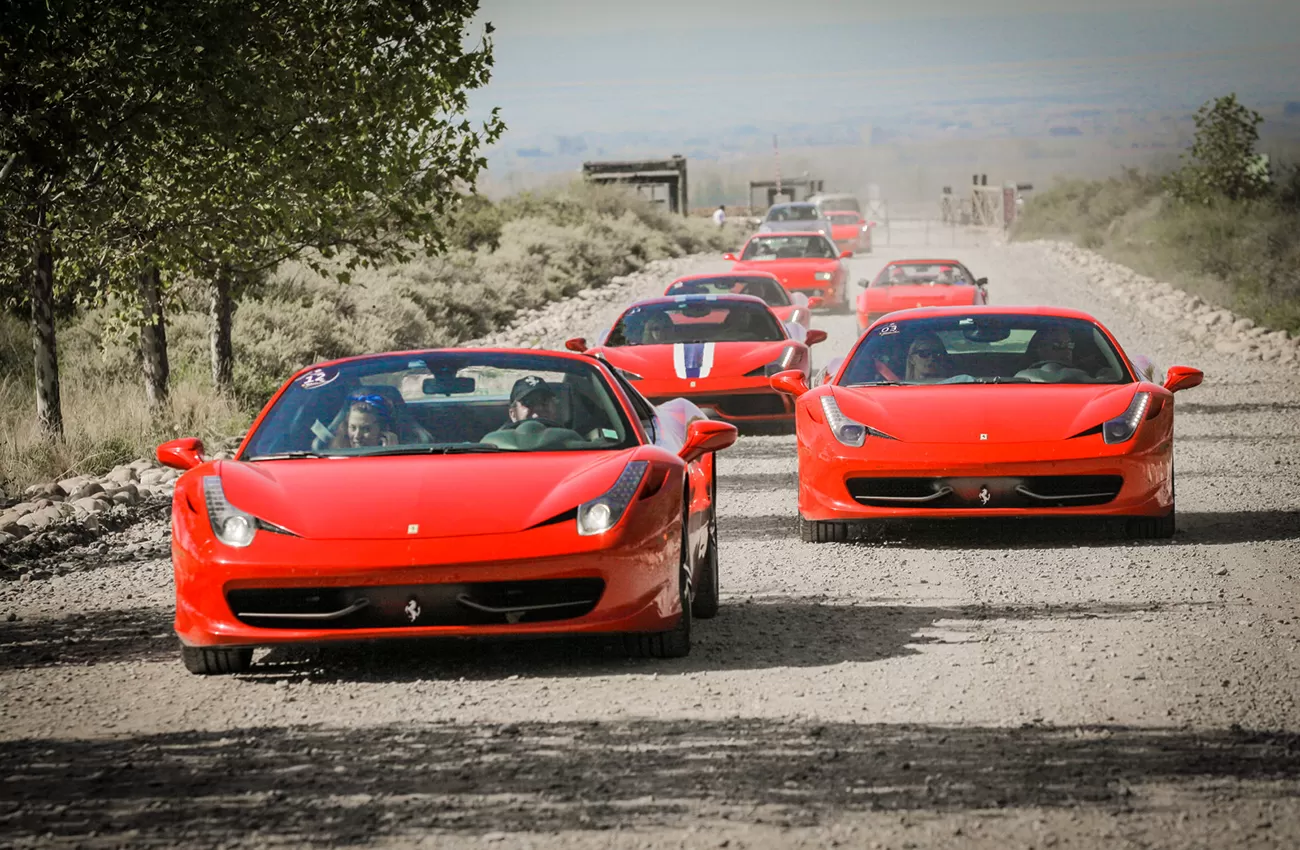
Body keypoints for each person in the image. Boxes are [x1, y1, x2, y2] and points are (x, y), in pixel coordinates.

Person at [329, 392, 399, 448]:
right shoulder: (334, 458)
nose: (357, 436)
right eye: (353, 428)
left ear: (382, 430)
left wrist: (390, 451)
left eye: (366, 429)